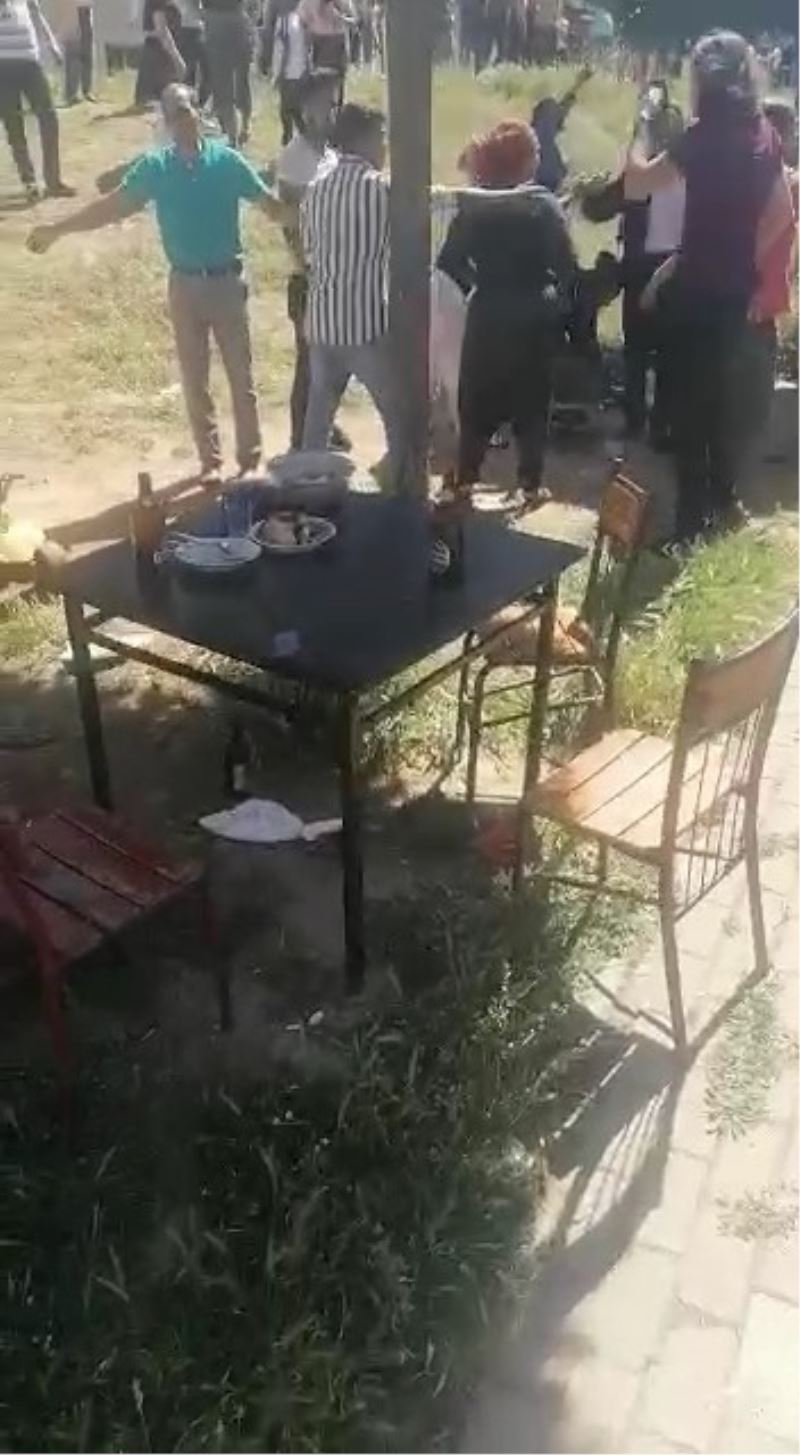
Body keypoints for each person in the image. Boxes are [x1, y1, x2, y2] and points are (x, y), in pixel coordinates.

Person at [28, 84, 288, 487]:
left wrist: (313, 208)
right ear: (165, 122)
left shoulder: (227, 162)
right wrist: (57, 229)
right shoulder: (156, 168)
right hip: (184, 285)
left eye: (185, 110)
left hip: (226, 282)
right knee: (194, 379)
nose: (180, 119)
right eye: (172, 113)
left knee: (241, 378)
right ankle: (210, 462)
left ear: (198, 113)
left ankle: (250, 460)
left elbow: (271, 207)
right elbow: (110, 208)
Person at [625, 29, 793, 545]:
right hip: (740, 298)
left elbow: (637, 183)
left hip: (696, 295)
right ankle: (725, 508)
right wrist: (746, 260)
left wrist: (641, 127)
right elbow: (783, 212)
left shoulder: (697, 139)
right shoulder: (764, 133)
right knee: (732, 412)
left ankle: (689, 528)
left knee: (689, 415)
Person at [438, 120, 576, 505]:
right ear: (524, 160)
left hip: (487, 308)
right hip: (533, 310)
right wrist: (559, 303)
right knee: (532, 402)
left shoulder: (476, 203)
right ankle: (530, 485)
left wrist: (479, 284)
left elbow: (449, 260)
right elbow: (567, 267)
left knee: (477, 399)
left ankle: (464, 480)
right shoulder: (542, 205)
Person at [300, 102, 403, 485]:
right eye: (382, 137)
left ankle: (306, 484)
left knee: (319, 413)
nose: (385, 146)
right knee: (397, 409)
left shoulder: (316, 187)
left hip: (322, 318)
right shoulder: (382, 189)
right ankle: (401, 478)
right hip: (363, 325)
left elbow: (308, 251)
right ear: (365, 139)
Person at [273, 67, 349, 450]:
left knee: (333, 362)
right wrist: (307, 265)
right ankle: (300, 438)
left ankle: (323, 426)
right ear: (305, 109)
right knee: (310, 364)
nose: (332, 111)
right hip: (310, 277)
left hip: (336, 273)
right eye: (325, 103)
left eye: (335, 103)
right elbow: (291, 223)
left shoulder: (332, 156)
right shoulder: (295, 158)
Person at [733, 98, 799, 474]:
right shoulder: (782, 184)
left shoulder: (756, 181)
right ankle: (732, 480)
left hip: (754, 301)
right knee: (749, 401)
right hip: (755, 302)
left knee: (745, 397)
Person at [0, 0, 75, 202]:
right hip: (2, 65)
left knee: (49, 117)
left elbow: (36, 13)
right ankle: (29, 181)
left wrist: (51, 44)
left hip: (30, 61)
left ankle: (53, 181)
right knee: (13, 125)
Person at [531, 64, 591, 194]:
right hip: (545, 180)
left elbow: (565, 105)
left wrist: (579, 83)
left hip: (548, 181)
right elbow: (564, 105)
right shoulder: (540, 131)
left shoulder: (540, 130)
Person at [202, 0, 254, 146]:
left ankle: (236, 129)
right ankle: (236, 129)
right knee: (234, 80)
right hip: (231, 18)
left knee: (230, 81)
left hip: (220, 19)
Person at [297, 0, 354, 102]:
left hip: (326, 41)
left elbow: (301, 21)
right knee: (335, 76)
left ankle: (334, 100)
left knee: (332, 78)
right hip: (327, 41)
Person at [270, 0, 309, 145]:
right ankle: (302, 137)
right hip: (301, 71)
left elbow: (280, 50)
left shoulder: (284, 22)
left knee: (287, 110)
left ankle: (292, 138)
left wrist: (277, 74)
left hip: (288, 73)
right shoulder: (302, 20)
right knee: (296, 108)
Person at [134, 0, 185, 107]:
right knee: (160, 104)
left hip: (156, 53)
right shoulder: (158, 2)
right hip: (159, 57)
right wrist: (177, 59)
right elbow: (162, 31)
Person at [52, 0, 95, 105]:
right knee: (73, 53)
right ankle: (71, 93)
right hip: (72, 11)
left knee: (87, 53)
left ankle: (86, 90)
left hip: (85, 9)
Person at [176, 0, 210, 105]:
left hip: (196, 28)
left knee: (205, 71)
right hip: (187, 29)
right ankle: (188, 103)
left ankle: (198, 103)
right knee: (189, 70)